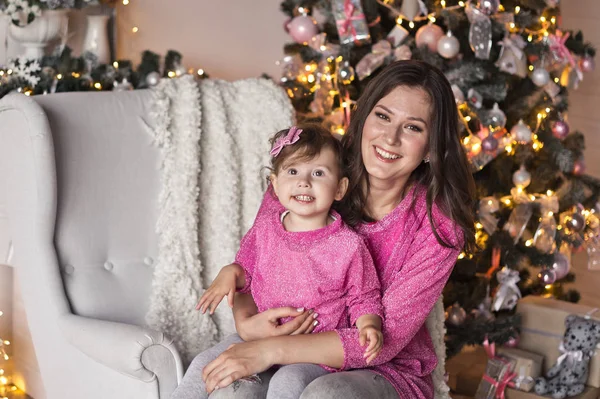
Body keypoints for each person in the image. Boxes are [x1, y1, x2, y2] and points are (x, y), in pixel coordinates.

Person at [198, 59, 476, 399]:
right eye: (383, 116)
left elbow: (382, 343)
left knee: (326, 394)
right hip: (282, 342)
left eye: (413, 128)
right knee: (229, 389)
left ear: (433, 147)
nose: (390, 137)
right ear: (363, 117)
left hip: (381, 369)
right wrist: (245, 323)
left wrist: (269, 351)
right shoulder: (308, 170)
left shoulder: (438, 226)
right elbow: (252, 263)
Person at [172, 124, 385, 399]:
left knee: (287, 381)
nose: (303, 182)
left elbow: (364, 296)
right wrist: (230, 273)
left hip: (309, 352)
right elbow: (245, 272)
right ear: (274, 183)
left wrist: (369, 325)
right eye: (292, 171)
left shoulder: (349, 245)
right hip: (262, 335)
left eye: (318, 173)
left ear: (340, 188)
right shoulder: (265, 229)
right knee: (206, 362)